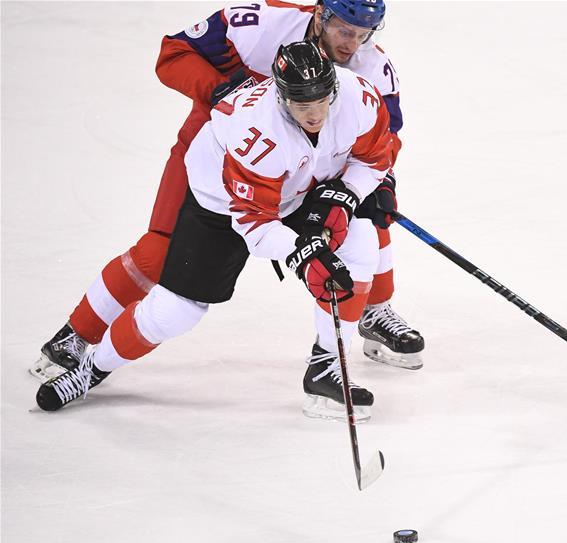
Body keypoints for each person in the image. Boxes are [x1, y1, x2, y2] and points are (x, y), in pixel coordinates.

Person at [32, 0, 424, 395]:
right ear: (320, 14)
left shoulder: (369, 72)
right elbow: (173, 55)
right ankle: (77, 337)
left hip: (307, 166)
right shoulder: (262, 26)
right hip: (222, 162)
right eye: (344, 30)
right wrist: (223, 89)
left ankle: (367, 316)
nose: (353, 44)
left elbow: (381, 143)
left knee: (363, 222)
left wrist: (371, 187)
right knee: (160, 254)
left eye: (364, 34)